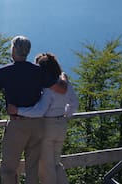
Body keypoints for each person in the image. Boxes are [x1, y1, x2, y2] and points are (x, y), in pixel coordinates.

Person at [0, 36, 67, 184]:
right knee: (32, 168)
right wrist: (64, 78)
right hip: (38, 125)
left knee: (9, 169)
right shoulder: (38, 71)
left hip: (17, 125)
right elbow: (59, 89)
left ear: (13, 50)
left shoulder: (4, 72)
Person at [7, 53, 79, 184]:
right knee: (56, 163)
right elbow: (74, 103)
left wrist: (17, 110)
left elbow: (39, 111)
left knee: (47, 168)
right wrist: (65, 115)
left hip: (47, 126)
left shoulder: (47, 88)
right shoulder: (64, 83)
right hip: (61, 125)